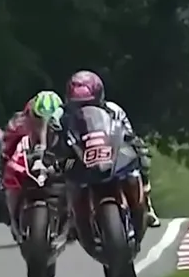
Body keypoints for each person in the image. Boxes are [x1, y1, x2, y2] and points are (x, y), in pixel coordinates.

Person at [62, 70, 160, 227]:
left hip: (110, 151)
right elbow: (62, 136)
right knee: (66, 176)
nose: (84, 109)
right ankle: (72, 216)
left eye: (89, 104)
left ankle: (146, 204)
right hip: (83, 156)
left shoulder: (113, 109)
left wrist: (132, 141)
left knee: (139, 159)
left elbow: (127, 131)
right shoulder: (66, 117)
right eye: (79, 105)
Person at [2, 91, 66, 242]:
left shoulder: (66, 126)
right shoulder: (18, 125)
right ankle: (13, 219)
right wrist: (7, 163)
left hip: (56, 171)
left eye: (50, 119)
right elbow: (6, 151)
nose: (44, 123)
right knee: (9, 180)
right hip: (27, 168)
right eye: (38, 118)